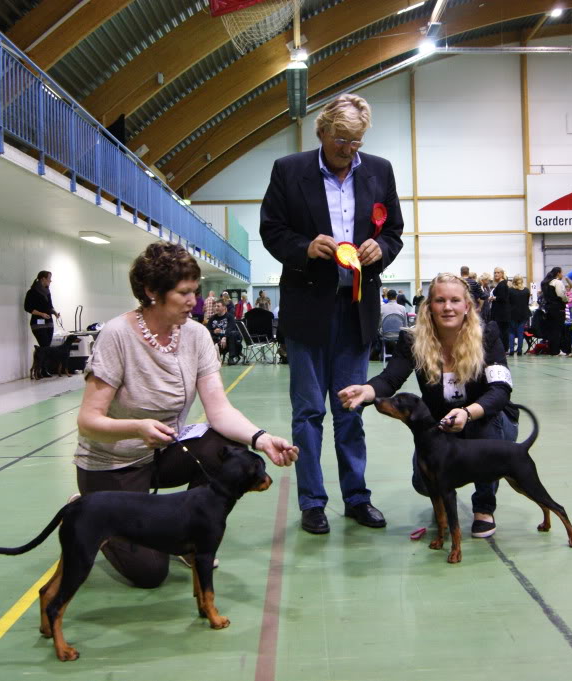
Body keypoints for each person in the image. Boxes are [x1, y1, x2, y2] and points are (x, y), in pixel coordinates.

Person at [73, 242, 298, 589]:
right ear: (151, 292)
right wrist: (136, 427)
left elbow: (219, 410)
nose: (194, 301)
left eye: (195, 291)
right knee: (150, 574)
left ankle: (194, 536)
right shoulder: (117, 336)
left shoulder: (196, 335)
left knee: (222, 445)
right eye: (184, 293)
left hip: (163, 453)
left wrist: (261, 438)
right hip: (113, 464)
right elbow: (88, 421)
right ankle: (90, 506)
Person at [259, 93, 404, 534]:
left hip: (357, 310)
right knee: (307, 412)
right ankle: (313, 503)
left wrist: (383, 249)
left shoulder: (379, 170)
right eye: (341, 140)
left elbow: (394, 231)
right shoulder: (289, 170)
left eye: (356, 141)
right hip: (307, 308)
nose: (348, 150)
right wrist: (305, 249)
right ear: (321, 131)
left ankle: (357, 498)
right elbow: (272, 230)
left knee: (352, 409)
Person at [337, 273, 518, 539]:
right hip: (442, 425)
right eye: (440, 300)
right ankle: (444, 496)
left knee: (485, 430)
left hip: (485, 419)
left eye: (455, 300)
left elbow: (500, 391)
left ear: (467, 306)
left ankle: (484, 507)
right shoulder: (413, 340)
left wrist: (468, 413)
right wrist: (366, 390)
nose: (448, 307)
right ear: (429, 306)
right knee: (422, 482)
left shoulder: (487, 335)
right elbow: (391, 378)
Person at [23, 270, 60, 349]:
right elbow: (28, 308)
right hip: (38, 324)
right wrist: (41, 314)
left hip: (49, 323)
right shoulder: (31, 292)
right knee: (45, 346)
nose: (50, 280)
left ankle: (43, 360)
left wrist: (55, 313)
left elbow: (50, 306)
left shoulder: (47, 292)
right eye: (49, 278)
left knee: (47, 347)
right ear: (43, 279)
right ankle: (42, 360)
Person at [539, 267, 567, 356]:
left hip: (548, 309)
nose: (562, 275)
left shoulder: (545, 283)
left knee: (551, 330)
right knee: (557, 330)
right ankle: (557, 350)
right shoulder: (557, 282)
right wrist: (567, 299)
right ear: (558, 273)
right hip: (558, 309)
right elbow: (560, 295)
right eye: (562, 273)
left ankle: (552, 349)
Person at [507, 275, 531, 357]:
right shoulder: (526, 290)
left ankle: (511, 350)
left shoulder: (510, 290)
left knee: (511, 332)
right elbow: (527, 302)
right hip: (523, 313)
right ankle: (520, 350)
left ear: (513, 281)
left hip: (512, 313)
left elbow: (508, 302)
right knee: (520, 332)